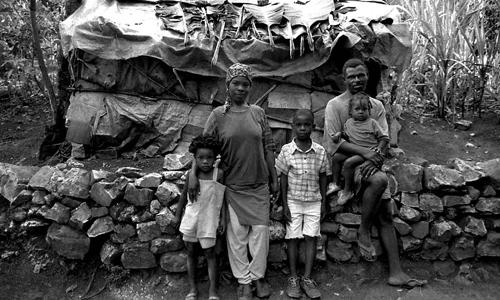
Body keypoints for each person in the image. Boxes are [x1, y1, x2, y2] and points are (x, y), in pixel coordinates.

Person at [323, 58, 427, 288]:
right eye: (351, 76)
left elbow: (383, 140)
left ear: (367, 76)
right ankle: (362, 231)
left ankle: (396, 273)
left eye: (361, 75)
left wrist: (376, 157)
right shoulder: (335, 106)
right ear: (344, 79)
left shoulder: (376, 106)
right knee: (380, 180)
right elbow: (335, 145)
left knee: (386, 215)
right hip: (350, 165)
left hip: (371, 162)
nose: (357, 80)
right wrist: (367, 154)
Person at [188, 63, 278, 300]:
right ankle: (243, 281)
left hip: (258, 184)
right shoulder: (218, 116)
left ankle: (258, 277)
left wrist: (274, 179)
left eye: (245, 84)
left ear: (250, 87)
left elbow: (269, 147)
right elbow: (202, 148)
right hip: (232, 185)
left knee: (260, 233)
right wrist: (192, 176)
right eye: (236, 83)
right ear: (227, 86)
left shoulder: (257, 113)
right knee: (236, 236)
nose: (241, 88)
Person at [275, 109, 328, 299]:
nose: (303, 128)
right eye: (299, 125)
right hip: (293, 200)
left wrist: (323, 203)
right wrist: (285, 204)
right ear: (293, 126)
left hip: (314, 201)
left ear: (313, 127)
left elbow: (323, 177)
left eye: (307, 125)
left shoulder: (320, 151)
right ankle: (293, 277)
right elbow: (282, 178)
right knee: (292, 238)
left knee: (311, 237)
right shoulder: (286, 151)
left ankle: (307, 278)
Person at [174, 135, 225, 300]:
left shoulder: (219, 174)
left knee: (210, 253)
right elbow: (183, 196)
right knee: (190, 252)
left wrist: (223, 219)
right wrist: (177, 215)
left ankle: (212, 290)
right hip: (191, 218)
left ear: (215, 157)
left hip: (210, 220)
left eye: (209, 158)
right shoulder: (191, 175)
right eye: (200, 158)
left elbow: (222, 199)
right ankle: (193, 288)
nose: (205, 161)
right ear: (195, 158)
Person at [331, 92, 389, 205]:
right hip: (355, 151)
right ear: (350, 112)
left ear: (369, 110)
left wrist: (379, 148)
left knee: (349, 163)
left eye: (364, 109)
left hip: (369, 151)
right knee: (336, 157)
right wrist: (339, 135)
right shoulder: (349, 123)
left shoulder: (372, 123)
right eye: (357, 109)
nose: (361, 112)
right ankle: (335, 183)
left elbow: (384, 138)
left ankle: (348, 191)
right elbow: (346, 135)